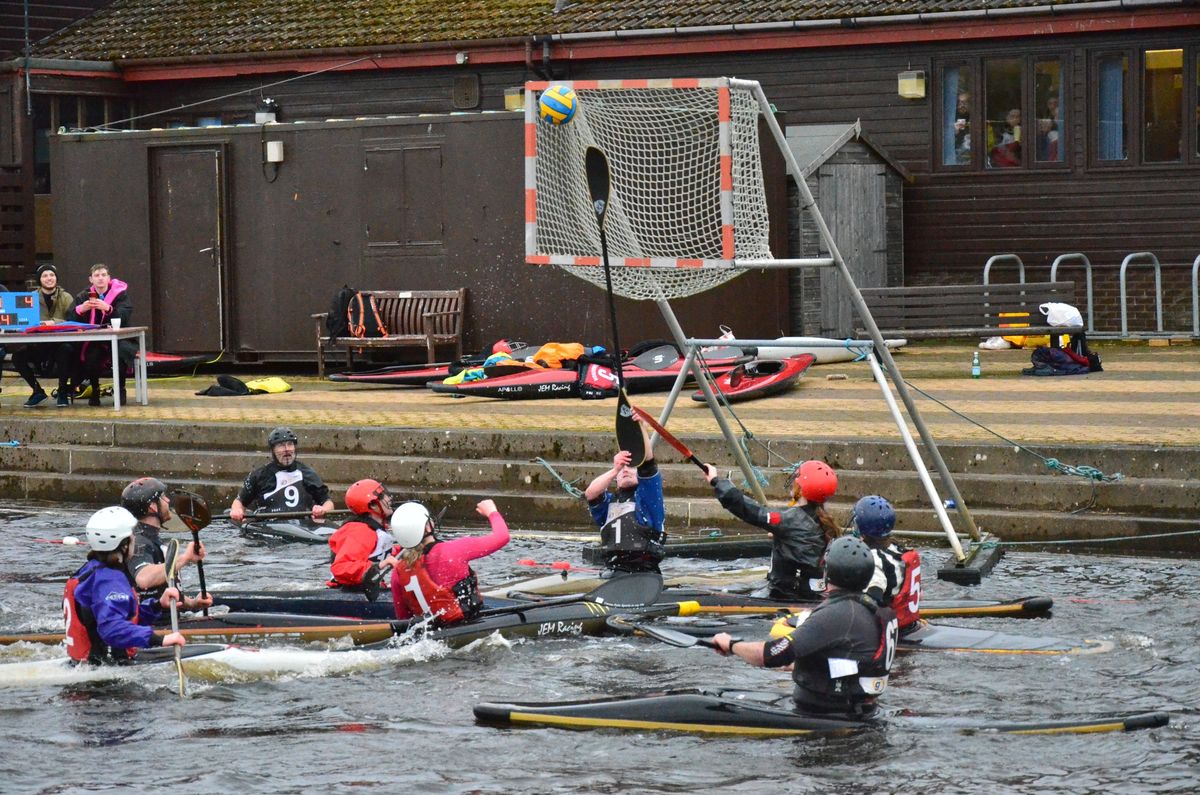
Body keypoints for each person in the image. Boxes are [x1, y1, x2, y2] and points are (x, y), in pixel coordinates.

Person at [710, 536, 899, 719]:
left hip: (824, 712)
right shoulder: (875, 609)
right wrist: (800, 665)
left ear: (827, 572)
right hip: (859, 708)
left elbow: (770, 655)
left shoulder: (837, 614)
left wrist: (732, 644)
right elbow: (850, 659)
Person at [63, 506, 206, 665]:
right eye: (131, 537)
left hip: (83, 665)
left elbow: (122, 615)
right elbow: (112, 629)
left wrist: (157, 606)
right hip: (108, 671)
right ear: (123, 545)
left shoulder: (90, 571)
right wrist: (160, 639)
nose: (134, 541)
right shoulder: (110, 580)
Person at [700, 459, 840, 601]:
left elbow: (749, 510)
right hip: (811, 594)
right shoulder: (824, 519)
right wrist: (781, 537)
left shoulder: (789, 520)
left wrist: (716, 482)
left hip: (784, 596)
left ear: (801, 487)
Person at [385, 498, 510, 625]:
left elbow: (403, 618)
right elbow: (503, 536)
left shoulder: (399, 570)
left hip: (429, 637)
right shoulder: (454, 550)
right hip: (469, 625)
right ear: (428, 527)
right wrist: (492, 512)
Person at [583, 418, 665, 573]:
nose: (625, 470)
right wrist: (615, 469)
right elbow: (591, 493)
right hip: (614, 571)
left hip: (645, 573)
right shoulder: (608, 504)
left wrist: (642, 430)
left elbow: (648, 463)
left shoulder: (648, 498)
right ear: (616, 477)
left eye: (631, 467)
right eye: (622, 469)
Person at [121, 477, 209, 603]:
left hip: (164, 613)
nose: (168, 500)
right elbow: (144, 578)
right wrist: (185, 558)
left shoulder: (149, 536)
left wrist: (192, 603)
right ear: (152, 507)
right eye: (163, 497)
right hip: (154, 620)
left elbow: (162, 590)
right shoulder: (139, 541)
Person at [228, 427, 334, 523]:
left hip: (302, 526)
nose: (287, 449)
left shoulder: (307, 473)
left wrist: (323, 510)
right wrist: (237, 511)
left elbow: (328, 503)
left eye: (290, 444)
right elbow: (240, 501)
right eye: (281, 445)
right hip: (267, 527)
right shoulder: (259, 475)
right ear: (273, 450)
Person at [67, 263, 136, 407]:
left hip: (118, 338)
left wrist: (109, 309)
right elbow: (69, 316)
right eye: (97, 276)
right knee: (90, 355)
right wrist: (81, 309)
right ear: (91, 279)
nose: (100, 279)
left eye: (103, 275)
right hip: (95, 340)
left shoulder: (120, 294)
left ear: (108, 278)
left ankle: (120, 389)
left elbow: (125, 313)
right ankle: (95, 390)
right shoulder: (84, 296)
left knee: (121, 352)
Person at [851, 495, 921, 635]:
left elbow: (873, 598)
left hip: (890, 630)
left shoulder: (874, 560)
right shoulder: (897, 548)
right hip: (909, 623)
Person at [12, 264, 74, 408]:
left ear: (56, 278)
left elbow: (72, 320)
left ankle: (63, 391)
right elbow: (22, 319)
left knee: (66, 350)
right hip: (38, 344)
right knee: (18, 357)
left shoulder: (66, 297)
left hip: (59, 344)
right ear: (39, 279)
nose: (49, 278)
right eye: (45, 276)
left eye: (52, 275)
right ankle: (37, 390)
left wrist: (53, 322)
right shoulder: (31, 298)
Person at [327, 478, 395, 589]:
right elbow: (340, 568)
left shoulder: (374, 529)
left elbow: (378, 552)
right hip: (347, 594)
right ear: (373, 505)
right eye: (382, 496)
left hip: (364, 589)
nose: (388, 498)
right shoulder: (360, 531)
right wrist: (380, 565)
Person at [953, 90, 972, 164]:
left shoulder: (976, 115)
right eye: (959, 102)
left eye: (964, 102)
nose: (961, 105)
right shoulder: (954, 116)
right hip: (959, 153)